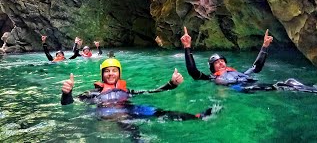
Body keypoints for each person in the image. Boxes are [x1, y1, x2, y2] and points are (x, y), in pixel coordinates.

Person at [60, 53, 220, 120]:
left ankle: (196, 118)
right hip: (109, 115)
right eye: (107, 71)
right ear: (102, 75)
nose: (110, 74)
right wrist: (67, 93)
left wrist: (171, 84)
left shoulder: (127, 91)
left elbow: (152, 91)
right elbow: (70, 105)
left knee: (160, 112)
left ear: (119, 74)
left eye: (114, 71)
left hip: (129, 109)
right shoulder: (93, 93)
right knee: (131, 128)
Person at [180, 27, 317, 93]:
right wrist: (187, 47)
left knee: (289, 82)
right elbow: (193, 72)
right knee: (283, 85)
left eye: (222, 61)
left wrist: (264, 46)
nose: (221, 63)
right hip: (240, 88)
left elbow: (256, 67)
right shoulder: (210, 77)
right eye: (216, 63)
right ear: (212, 68)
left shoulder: (237, 72)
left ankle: (313, 88)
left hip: (248, 82)